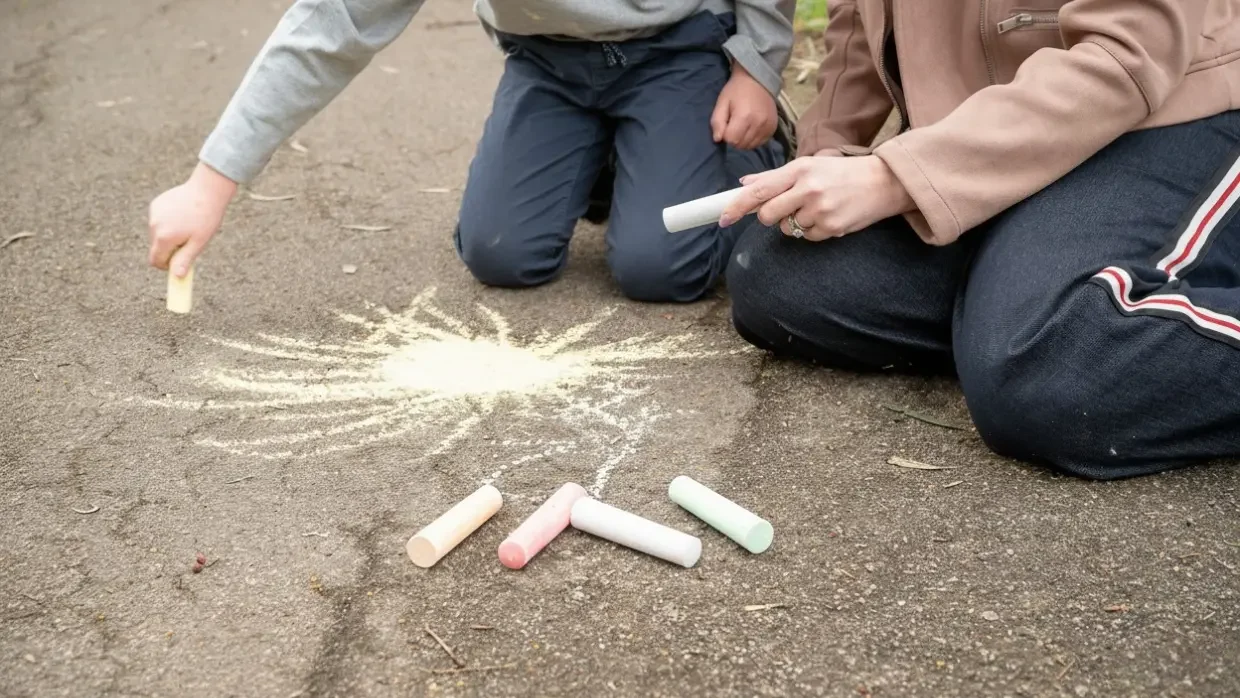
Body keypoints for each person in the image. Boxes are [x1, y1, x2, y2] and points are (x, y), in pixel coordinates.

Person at [719, 0, 1240, 479]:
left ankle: (1032, 330)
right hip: (984, 137)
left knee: (1044, 376)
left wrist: (893, 180)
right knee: (780, 276)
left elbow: (1131, 49)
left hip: (1162, 112)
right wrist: (826, 154)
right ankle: (1022, 316)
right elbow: (860, 17)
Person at [146, 0, 797, 304]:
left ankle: (753, 157)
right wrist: (210, 184)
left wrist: (756, 68)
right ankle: (616, 157)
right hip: (549, 60)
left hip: (676, 45)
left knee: (660, 268)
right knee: (499, 252)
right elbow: (331, 25)